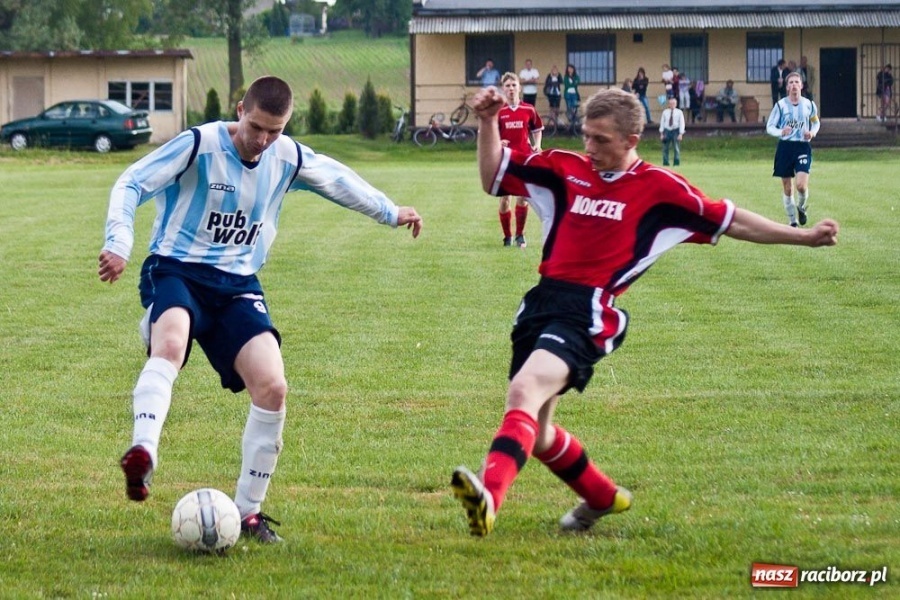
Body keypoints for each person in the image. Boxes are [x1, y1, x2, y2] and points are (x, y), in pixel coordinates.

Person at [450, 85, 839, 538]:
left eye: (601, 140)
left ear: (631, 140)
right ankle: (601, 498)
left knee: (525, 389)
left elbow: (732, 219)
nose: (589, 148)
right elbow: (493, 176)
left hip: (589, 310)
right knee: (537, 434)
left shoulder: (660, 190)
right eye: (586, 136)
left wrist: (804, 237)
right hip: (541, 304)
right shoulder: (563, 168)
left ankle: (488, 499)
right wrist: (487, 122)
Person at [99, 75, 423, 543]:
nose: (264, 141)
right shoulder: (200, 145)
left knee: (273, 387)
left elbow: (335, 178)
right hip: (177, 269)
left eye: (276, 131)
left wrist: (389, 211)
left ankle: (249, 513)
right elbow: (132, 183)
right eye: (256, 128)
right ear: (239, 111)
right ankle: (143, 453)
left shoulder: (285, 156)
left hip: (237, 286)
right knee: (170, 344)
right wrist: (120, 242)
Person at [766, 71, 820, 227]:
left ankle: (801, 207)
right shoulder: (781, 105)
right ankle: (792, 222)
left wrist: (812, 133)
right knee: (788, 188)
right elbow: (770, 127)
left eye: (797, 82)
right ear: (787, 87)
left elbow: (815, 122)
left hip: (802, 146)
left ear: (802, 86)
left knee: (801, 185)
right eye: (791, 83)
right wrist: (780, 131)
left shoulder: (809, 105)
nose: (794, 85)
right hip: (785, 148)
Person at [497, 72, 543, 248]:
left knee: (523, 197)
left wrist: (537, 145)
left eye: (514, 85)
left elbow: (537, 128)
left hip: (524, 159)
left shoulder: (528, 109)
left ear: (519, 87)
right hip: (505, 160)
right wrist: (497, 142)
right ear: (503, 88)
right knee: (504, 199)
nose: (511, 89)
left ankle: (519, 235)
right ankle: (507, 236)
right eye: (507, 86)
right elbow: (489, 135)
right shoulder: (499, 112)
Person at [659, 96, 685, 166]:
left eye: (674, 103)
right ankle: (665, 162)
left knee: (676, 147)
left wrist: (681, 133)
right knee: (665, 147)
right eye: (671, 103)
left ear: (676, 104)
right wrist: (661, 133)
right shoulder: (665, 112)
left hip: (675, 130)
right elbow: (662, 123)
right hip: (667, 130)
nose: (672, 105)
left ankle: (676, 162)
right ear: (669, 104)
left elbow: (682, 123)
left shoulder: (679, 112)